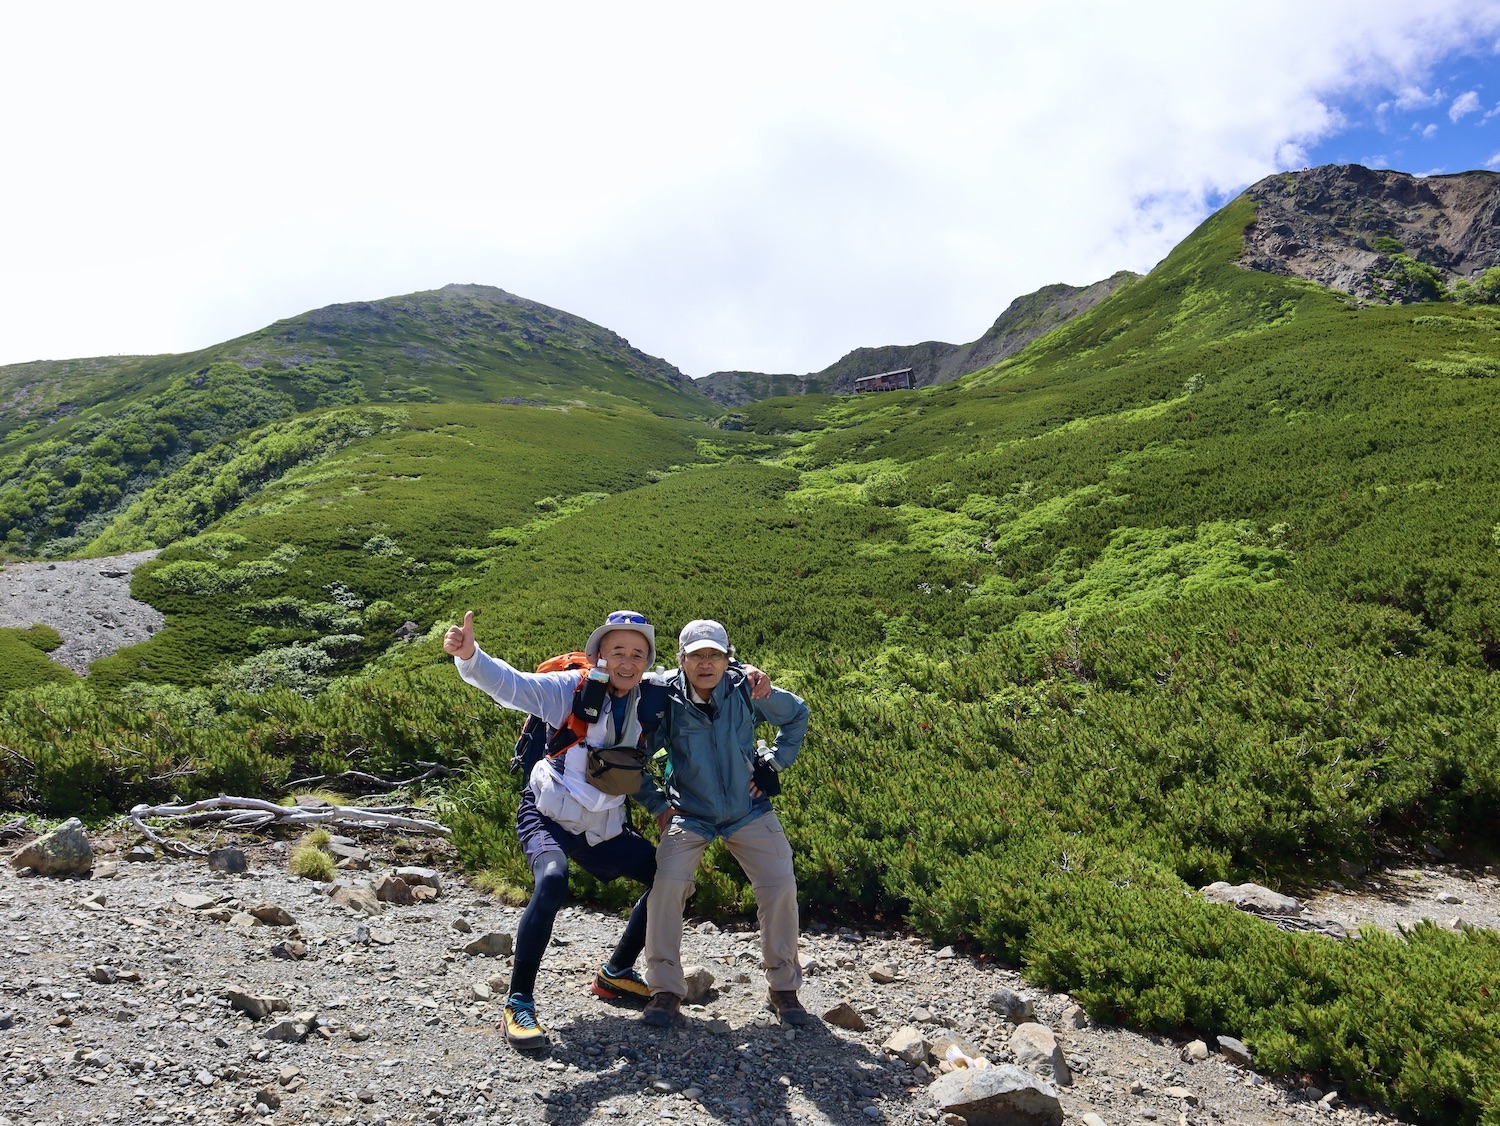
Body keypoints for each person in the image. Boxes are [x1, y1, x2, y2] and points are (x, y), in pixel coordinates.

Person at [443, 608, 662, 1049]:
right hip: (548, 813)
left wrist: (749, 679)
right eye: (617, 650)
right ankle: (518, 1002)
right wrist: (471, 657)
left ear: (648, 661)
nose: (627, 661)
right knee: (553, 880)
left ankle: (616, 973)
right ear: (597, 655)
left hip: (603, 825)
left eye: (638, 654)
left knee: (670, 881)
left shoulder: (654, 697)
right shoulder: (570, 689)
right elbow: (513, 685)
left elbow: (704, 675)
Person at [633, 619, 811, 1028]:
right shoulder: (662, 698)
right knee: (666, 888)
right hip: (689, 813)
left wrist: (774, 763)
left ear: (728, 658)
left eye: (714, 654)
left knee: (780, 883)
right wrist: (657, 804)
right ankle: (665, 990)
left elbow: (796, 714)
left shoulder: (748, 688)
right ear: (681, 660)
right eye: (697, 655)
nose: (706, 663)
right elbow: (633, 754)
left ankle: (783, 987)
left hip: (747, 810)